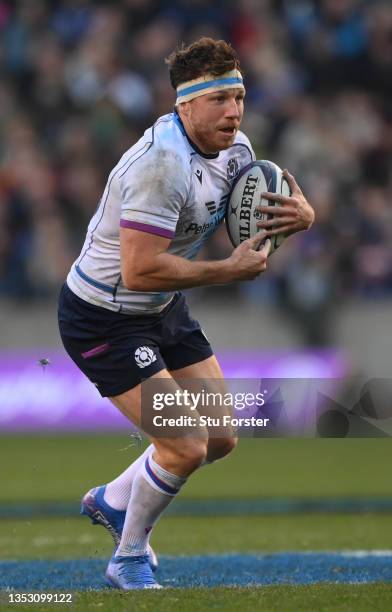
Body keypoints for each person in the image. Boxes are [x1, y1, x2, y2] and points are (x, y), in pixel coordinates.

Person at [58, 37, 314, 590]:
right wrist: (229, 270)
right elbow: (139, 270)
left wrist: (301, 216)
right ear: (185, 105)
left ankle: (112, 500)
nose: (234, 111)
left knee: (220, 438)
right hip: (103, 316)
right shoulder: (161, 166)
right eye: (220, 98)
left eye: (240, 95)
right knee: (184, 443)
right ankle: (127, 557)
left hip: (162, 309)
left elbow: (250, 213)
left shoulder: (238, 149)